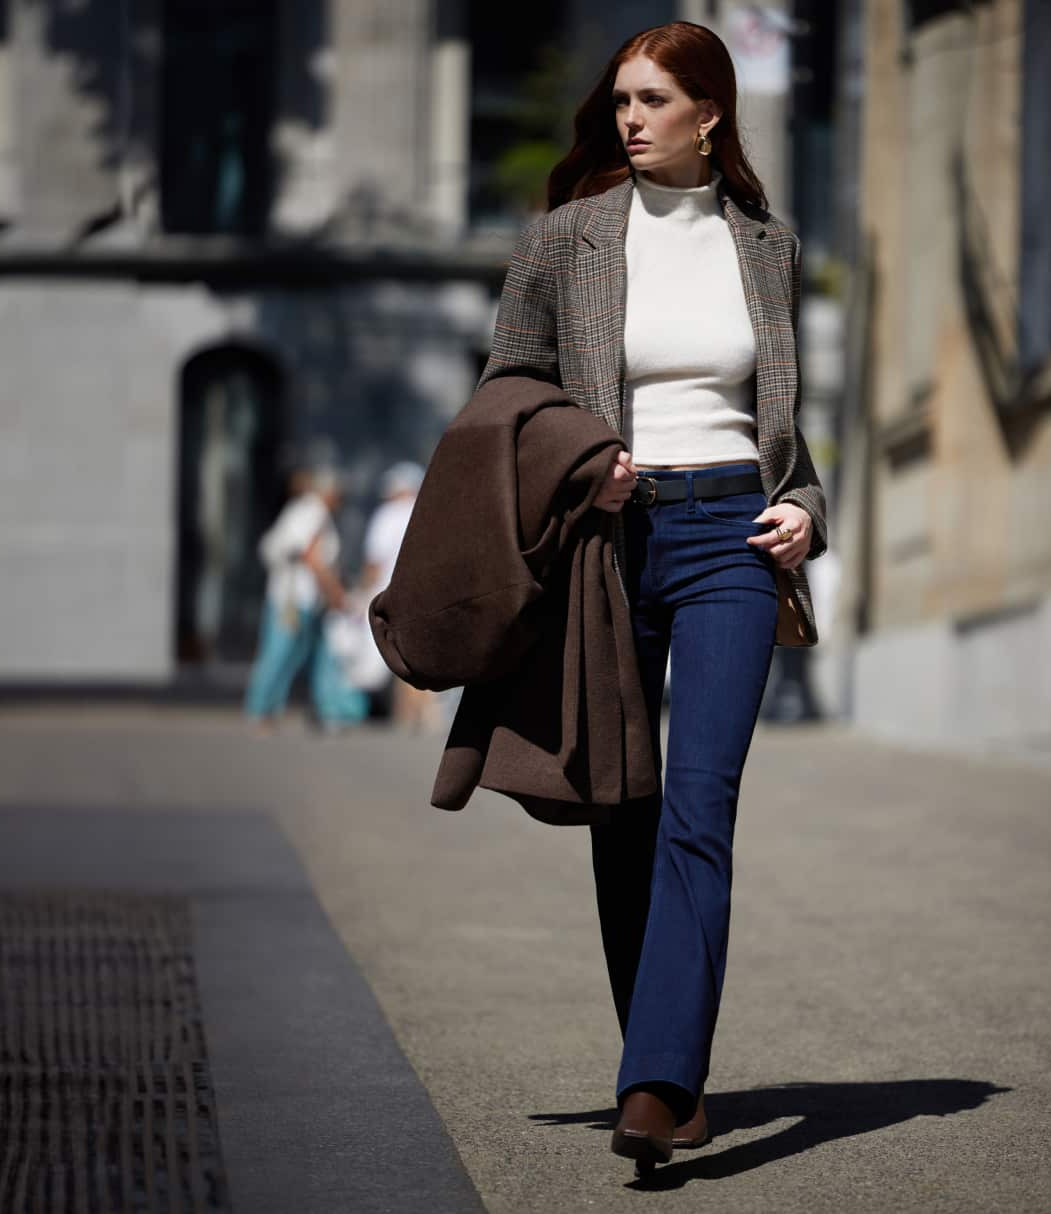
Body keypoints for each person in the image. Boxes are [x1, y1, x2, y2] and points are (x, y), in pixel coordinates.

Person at [477, 21, 827, 1173]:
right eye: (620, 98)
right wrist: (585, 459)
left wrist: (808, 509)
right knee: (621, 808)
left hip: (734, 533)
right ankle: (663, 1060)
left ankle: (655, 1077)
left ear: (707, 114)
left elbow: (784, 425)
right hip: (605, 538)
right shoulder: (563, 240)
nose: (628, 117)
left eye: (650, 99)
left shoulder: (765, 247)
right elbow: (506, 396)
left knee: (698, 800)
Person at [244, 465, 367, 731]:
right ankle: (259, 708)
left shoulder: (309, 511)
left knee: (295, 653)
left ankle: (270, 710)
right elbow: (313, 558)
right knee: (279, 652)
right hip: (293, 598)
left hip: (303, 599)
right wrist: (335, 593)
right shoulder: (313, 511)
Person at [355, 461, 443, 728]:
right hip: (423, 593)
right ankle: (420, 714)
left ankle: (406, 715)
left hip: (388, 594)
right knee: (418, 653)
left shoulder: (387, 515)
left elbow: (374, 561)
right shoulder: (429, 515)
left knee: (396, 653)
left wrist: (361, 591)